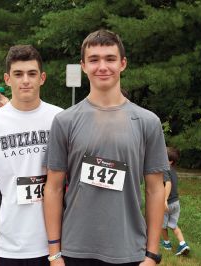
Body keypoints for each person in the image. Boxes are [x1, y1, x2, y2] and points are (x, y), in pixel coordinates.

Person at [44, 29, 169, 266]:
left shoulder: (147, 122)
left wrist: (152, 255)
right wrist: (55, 253)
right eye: (94, 60)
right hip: (75, 250)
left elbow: (155, 190)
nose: (102, 66)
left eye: (110, 59)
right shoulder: (65, 121)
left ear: (123, 64)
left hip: (129, 250)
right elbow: (53, 188)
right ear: (83, 66)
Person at [0, 45, 63, 266]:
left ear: (42, 78)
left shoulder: (61, 119)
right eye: (18, 74)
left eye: (32, 73)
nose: (25, 80)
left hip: (56, 242)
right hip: (8, 244)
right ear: (8, 79)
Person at [161, 147, 190, 256]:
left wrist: (164, 200)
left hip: (167, 203)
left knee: (161, 225)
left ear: (170, 161)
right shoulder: (173, 170)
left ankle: (167, 244)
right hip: (176, 203)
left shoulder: (164, 169)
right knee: (173, 225)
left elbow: (168, 184)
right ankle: (183, 244)